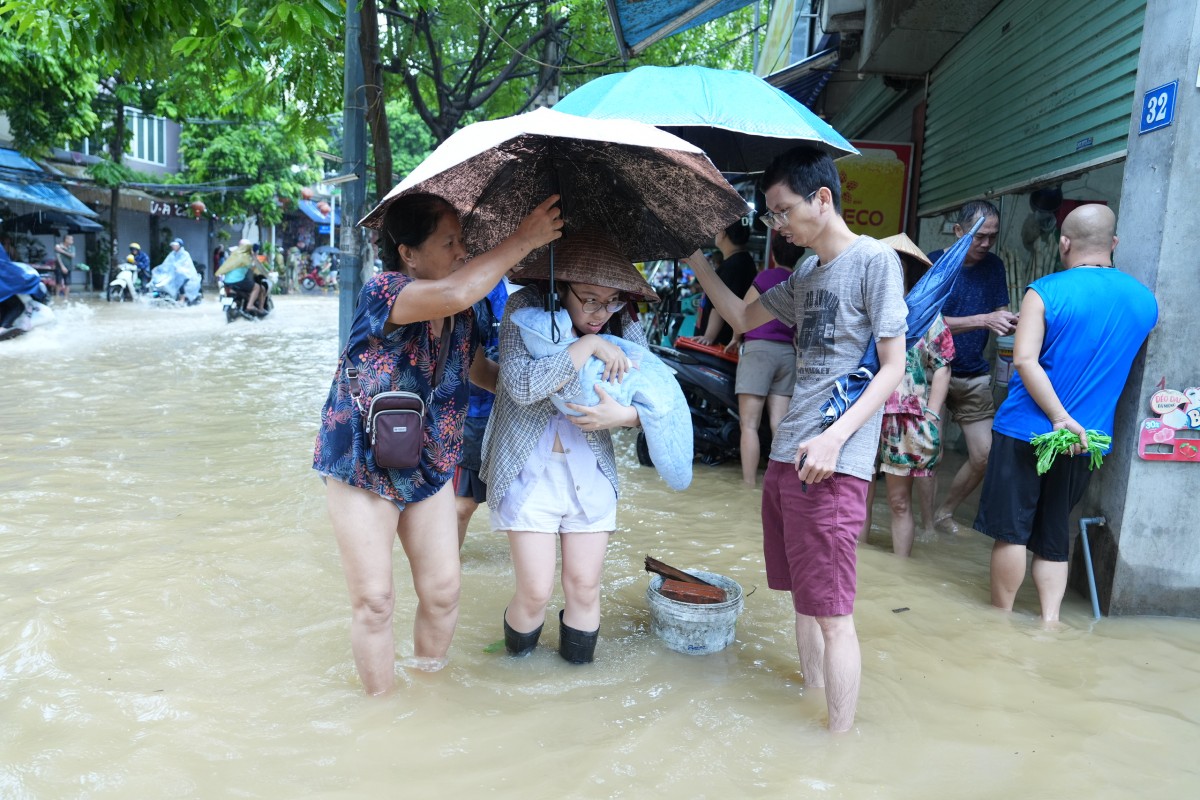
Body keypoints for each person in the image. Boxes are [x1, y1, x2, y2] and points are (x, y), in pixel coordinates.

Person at [685, 146, 907, 732]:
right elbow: (742, 320)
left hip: (832, 464)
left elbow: (893, 368)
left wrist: (834, 440)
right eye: (771, 214)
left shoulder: (875, 262)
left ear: (822, 199)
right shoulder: (806, 273)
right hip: (788, 459)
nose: (776, 225)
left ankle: (837, 751)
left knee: (835, 614)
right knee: (803, 601)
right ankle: (811, 704)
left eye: (782, 211)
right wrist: (696, 259)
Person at [313, 192, 561, 694]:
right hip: (364, 467)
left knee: (444, 592)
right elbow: (456, 292)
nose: (461, 251)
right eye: (449, 242)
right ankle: (382, 712)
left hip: (428, 467)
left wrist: (553, 384)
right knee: (376, 600)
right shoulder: (385, 292)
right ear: (408, 252)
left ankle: (427, 696)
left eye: (462, 241)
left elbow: (481, 374)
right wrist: (524, 240)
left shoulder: (464, 317)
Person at [973, 204, 1157, 622]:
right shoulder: (1145, 302)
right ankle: (1050, 623)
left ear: (1064, 243)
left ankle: (999, 620)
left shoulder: (1044, 291)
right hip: (1085, 440)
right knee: (1055, 533)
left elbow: (1024, 360)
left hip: (1026, 430)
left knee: (1011, 534)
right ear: (1113, 244)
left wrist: (1057, 416)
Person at [481, 229, 656, 665]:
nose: (601, 312)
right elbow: (521, 387)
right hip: (526, 464)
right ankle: (513, 674)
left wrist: (624, 417)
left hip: (590, 468)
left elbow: (656, 400)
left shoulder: (624, 319)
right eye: (589, 298)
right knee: (535, 591)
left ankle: (577, 690)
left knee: (584, 586)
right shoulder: (524, 308)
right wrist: (588, 345)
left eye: (612, 299)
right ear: (562, 285)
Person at [859, 234, 955, 557]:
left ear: (909, 272)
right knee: (860, 496)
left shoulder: (926, 314)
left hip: (906, 418)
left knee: (900, 501)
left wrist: (932, 413)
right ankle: (856, 567)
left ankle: (900, 572)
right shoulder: (862, 308)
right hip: (862, 412)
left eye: (896, 267)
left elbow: (942, 365)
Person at [927, 201, 1017, 534]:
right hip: (930, 370)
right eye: (978, 237)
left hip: (971, 371)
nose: (985, 244)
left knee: (984, 454)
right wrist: (982, 319)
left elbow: (1000, 310)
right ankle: (919, 522)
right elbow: (924, 323)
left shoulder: (994, 266)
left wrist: (1012, 320)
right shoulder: (935, 264)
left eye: (991, 238)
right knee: (924, 454)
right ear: (959, 231)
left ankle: (943, 514)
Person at [724, 235, 803, 487]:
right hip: (787, 355)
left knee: (749, 424)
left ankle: (749, 486)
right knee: (780, 425)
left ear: (774, 254)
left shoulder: (766, 277)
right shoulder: (800, 282)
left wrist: (736, 338)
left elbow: (743, 313)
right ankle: (781, 484)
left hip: (759, 352)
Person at [454, 274, 511, 547]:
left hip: (523, 414)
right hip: (476, 413)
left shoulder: (545, 288)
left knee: (524, 502)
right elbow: (472, 366)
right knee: (462, 505)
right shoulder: (475, 288)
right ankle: (447, 569)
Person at [693, 218, 757, 347]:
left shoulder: (735, 265)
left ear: (722, 233)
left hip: (719, 344)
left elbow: (722, 304)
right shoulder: (740, 261)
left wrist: (709, 337)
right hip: (721, 342)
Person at [216, 239, 267, 315]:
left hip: (227, 282)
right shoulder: (246, 257)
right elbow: (256, 269)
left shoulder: (234, 255)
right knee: (258, 287)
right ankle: (252, 306)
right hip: (238, 280)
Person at [156, 238, 201, 305]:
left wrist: (178, 267)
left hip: (186, 274)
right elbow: (167, 262)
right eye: (173, 245)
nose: (174, 246)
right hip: (174, 273)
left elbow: (182, 263)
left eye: (175, 245)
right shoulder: (172, 254)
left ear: (180, 246)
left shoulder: (185, 254)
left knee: (180, 283)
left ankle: (182, 299)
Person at [54, 234, 75, 300]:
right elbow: (58, 257)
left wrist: (62, 250)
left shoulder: (72, 247)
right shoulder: (58, 246)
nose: (72, 241)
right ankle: (57, 297)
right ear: (66, 239)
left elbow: (72, 256)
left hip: (68, 267)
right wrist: (62, 267)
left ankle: (66, 298)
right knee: (58, 282)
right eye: (71, 239)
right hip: (59, 267)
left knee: (68, 283)